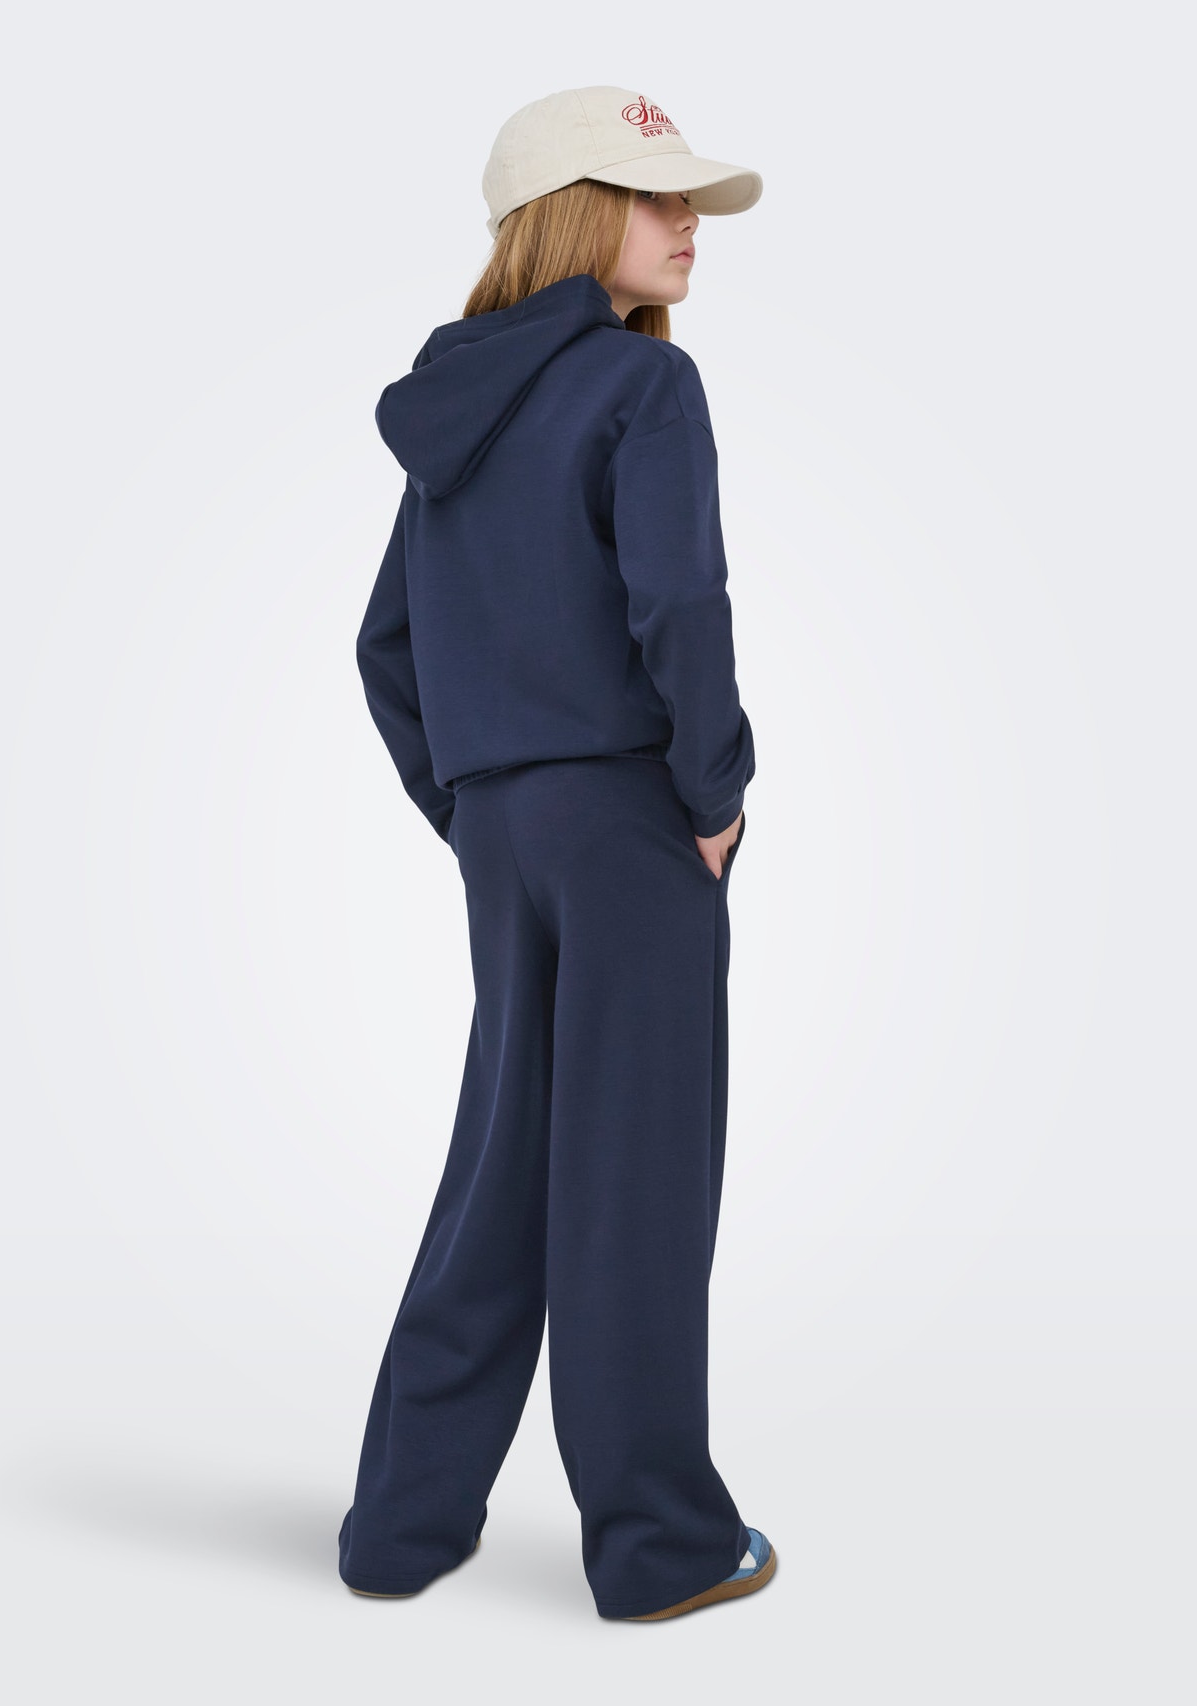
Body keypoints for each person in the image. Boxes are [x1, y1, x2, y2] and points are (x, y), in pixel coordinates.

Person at [337, 85, 776, 1623]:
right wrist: (713, 794)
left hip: (508, 833)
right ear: (577, 215)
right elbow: (681, 605)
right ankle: (660, 1545)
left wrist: (474, 804)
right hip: (632, 824)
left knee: (503, 1171)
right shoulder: (644, 387)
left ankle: (401, 1522)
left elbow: (387, 647)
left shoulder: (458, 415)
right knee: (632, 1182)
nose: (687, 222)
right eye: (656, 195)